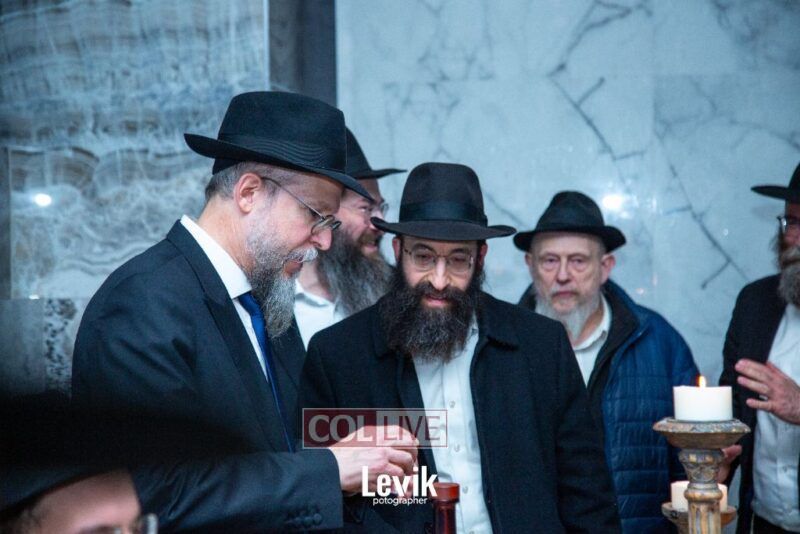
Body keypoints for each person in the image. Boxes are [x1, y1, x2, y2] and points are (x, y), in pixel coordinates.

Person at [70, 91, 418, 532]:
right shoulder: (140, 305)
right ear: (249, 192)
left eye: (330, 223)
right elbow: (160, 495)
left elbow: (283, 452)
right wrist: (330, 468)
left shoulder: (269, 302)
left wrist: (352, 453)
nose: (325, 241)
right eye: (316, 216)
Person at [300, 163, 621, 533]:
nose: (439, 280)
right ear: (398, 250)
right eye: (423, 257)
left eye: (457, 260)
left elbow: (588, 497)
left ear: (480, 258)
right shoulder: (338, 355)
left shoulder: (541, 346)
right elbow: (322, 499)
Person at [514, 191, 698, 533]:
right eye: (550, 261)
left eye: (578, 261)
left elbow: (688, 467)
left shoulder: (659, 342)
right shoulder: (503, 343)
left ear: (605, 267)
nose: (563, 275)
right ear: (530, 265)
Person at [719, 161, 800, 534]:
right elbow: (733, 409)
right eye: (792, 222)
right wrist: (717, 460)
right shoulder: (755, 303)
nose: (796, 239)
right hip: (764, 523)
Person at [293, 128, 404, 347]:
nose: (380, 224)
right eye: (366, 208)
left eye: (381, 208)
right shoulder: (273, 297)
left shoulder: (396, 294)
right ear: (326, 210)